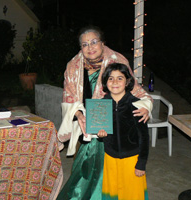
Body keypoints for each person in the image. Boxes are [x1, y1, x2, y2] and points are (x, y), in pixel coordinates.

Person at [57, 25, 152, 200]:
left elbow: (137, 91)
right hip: (86, 124)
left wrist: (145, 106)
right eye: (85, 44)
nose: (90, 47)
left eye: (94, 42)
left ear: (102, 43)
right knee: (84, 168)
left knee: (109, 172)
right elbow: (68, 96)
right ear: (80, 48)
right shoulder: (73, 66)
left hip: (115, 128)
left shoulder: (118, 61)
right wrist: (78, 115)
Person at [97, 63, 149, 200]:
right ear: (105, 82)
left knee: (132, 194)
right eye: (110, 78)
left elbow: (144, 137)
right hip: (110, 158)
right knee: (113, 193)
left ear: (128, 81)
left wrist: (141, 163)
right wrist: (100, 135)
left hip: (132, 159)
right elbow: (101, 134)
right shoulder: (101, 105)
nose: (115, 82)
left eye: (120, 78)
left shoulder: (137, 105)